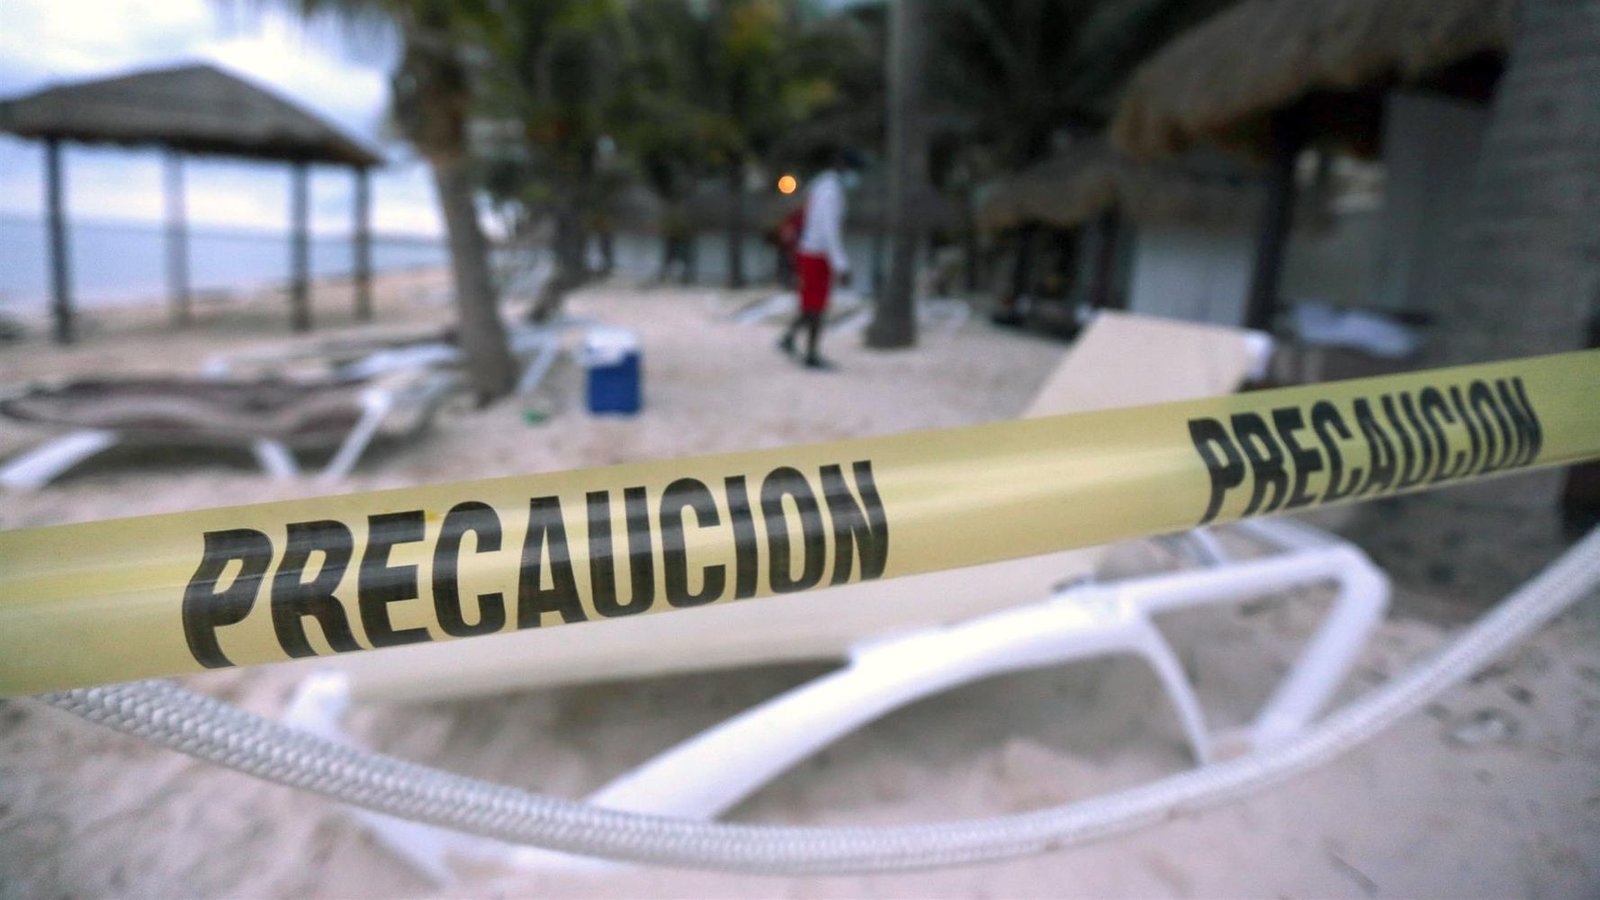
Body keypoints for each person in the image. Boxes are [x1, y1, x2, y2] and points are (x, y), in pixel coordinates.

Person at [779, 147, 857, 369]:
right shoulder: (829, 191)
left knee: (811, 304)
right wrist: (840, 264)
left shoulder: (823, 185)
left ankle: (790, 339)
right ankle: (811, 354)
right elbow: (828, 230)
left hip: (813, 252)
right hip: (816, 254)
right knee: (816, 307)